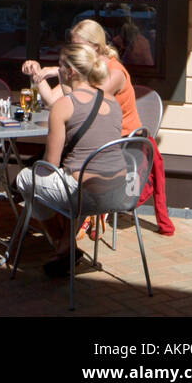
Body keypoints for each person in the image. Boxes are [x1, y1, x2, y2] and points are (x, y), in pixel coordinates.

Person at [15, 42, 123, 276]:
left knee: (26, 178)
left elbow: (50, 165)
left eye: (60, 66)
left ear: (70, 72)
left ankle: (63, 246)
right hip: (117, 191)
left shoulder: (64, 106)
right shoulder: (112, 101)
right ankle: (66, 244)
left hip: (84, 193)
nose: (57, 70)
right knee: (77, 182)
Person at [22, 18, 139, 136]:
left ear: (96, 47)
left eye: (79, 47)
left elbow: (85, 108)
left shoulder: (114, 72)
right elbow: (51, 101)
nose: (74, 51)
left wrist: (59, 72)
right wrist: (36, 72)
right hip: (94, 137)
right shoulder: (82, 70)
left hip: (122, 140)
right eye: (73, 46)